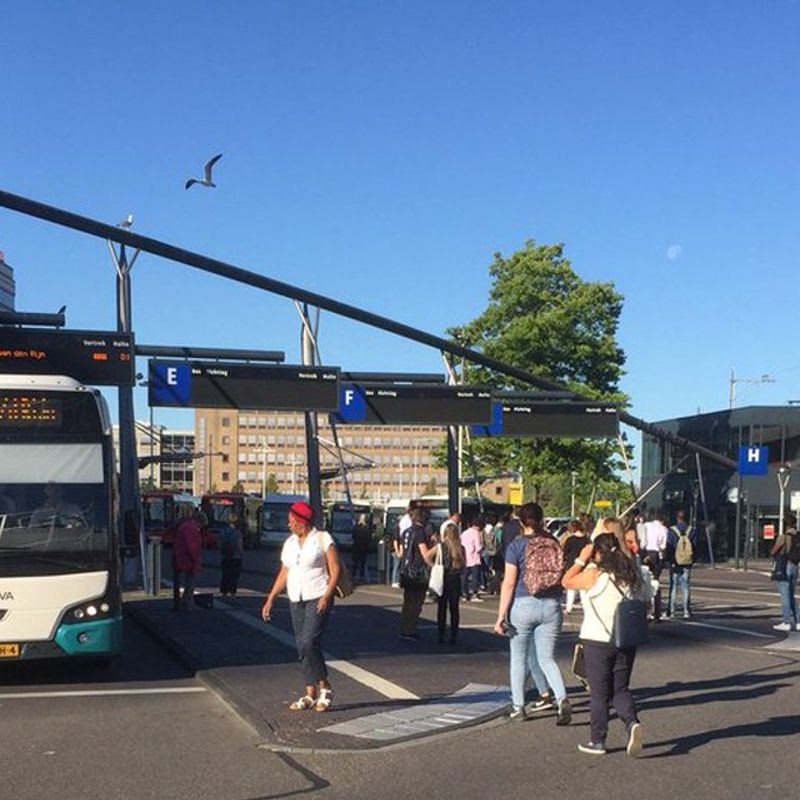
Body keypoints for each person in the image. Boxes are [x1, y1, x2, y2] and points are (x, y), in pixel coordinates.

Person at [562, 533, 654, 757]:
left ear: (598, 553)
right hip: (625, 638)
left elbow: (566, 581)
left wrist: (581, 559)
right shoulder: (633, 575)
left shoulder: (594, 574)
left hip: (597, 639)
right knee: (621, 688)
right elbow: (648, 602)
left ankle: (598, 740)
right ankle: (631, 722)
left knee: (599, 693)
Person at [494, 502, 572, 724]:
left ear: (521, 522)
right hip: (551, 605)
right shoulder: (553, 542)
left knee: (518, 659)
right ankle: (562, 697)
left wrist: (501, 616)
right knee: (547, 658)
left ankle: (519, 707)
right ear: (542, 519)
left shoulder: (516, 546)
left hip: (523, 604)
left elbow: (508, 583)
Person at [262, 501, 341, 712]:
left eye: (291, 522)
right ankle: (309, 692)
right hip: (296, 597)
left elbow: (335, 569)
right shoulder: (290, 543)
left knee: (309, 642)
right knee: (300, 646)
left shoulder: (322, 539)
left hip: (317, 596)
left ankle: (325, 686)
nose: (288, 525)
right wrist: (271, 598)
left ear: (302, 522)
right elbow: (284, 572)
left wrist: (327, 594)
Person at [424, 522, 465, 644]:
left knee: (442, 607)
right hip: (455, 579)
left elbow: (427, 556)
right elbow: (464, 565)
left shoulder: (440, 547)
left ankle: (441, 634)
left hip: (443, 577)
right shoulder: (460, 548)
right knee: (454, 609)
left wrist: (434, 566)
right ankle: (454, 635)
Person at [399, 506, 433, 640]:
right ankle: (411, 628)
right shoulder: (420, 533)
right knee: (417, 601)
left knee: (407, 601)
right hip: (417, 570)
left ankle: (404, 627)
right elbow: (425, 553)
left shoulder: (406, 531)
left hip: (405, 569)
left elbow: (402, 552)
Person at [666, 510, 697, 619]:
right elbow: (695, 546)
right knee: (686, 585)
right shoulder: (691, 530)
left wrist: (670, 560)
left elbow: (669, 546)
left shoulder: (672, 530)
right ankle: (686, 610)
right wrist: (693, 559)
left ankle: (671, 610)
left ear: (677, 518)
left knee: (673, 585)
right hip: (687, 561)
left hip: (675, 561)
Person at [770, 517, 800, 632]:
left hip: (784, 566)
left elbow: (774, 551)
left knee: (785, 595)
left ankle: (786, 622)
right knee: (792, 595)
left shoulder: (784, 536)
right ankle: (798, 622)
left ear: (785, 525)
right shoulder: (798, 536)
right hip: (795, 566)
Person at [173, 509, 204, 611]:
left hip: (183, 557)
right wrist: (196, 559)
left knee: (188, 582)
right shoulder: (191, 528)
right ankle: (188, 603)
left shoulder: (186, 526)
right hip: (188, 560)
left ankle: (186, 602)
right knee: (190, 583)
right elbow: (192, 546)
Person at [562, 519, 591, 614]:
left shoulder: (570, 540)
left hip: (571, 565)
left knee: (571, 589)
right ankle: (586, 607)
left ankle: (568, 608)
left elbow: (565, 552)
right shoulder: (587, 540)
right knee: (583, 589)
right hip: (584, 565)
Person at [219, 512, 244, 596]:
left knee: (225, 574)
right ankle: (232, 591)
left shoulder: (222, 532)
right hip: (235, 557)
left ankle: (224, 591)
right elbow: (239, 545)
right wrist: (242, 553)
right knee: (234, 575)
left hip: (225, 556)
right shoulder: (238, 533)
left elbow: (219, 544)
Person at [460, 516, 484, 602]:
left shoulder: (464, 532)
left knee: (464, 577)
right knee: (475, 577)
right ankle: (474, 593)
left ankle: (464, 593)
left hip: (464, 557)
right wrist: (482, 550)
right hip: (474, 558)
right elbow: (478, 547)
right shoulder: (476, 533)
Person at [351, 513, 371, 582]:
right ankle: (360, 577)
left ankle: (354, 576)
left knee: (356, 563)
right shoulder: (366, 528)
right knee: (362, 563)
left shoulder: (356, 527)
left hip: (357, 546)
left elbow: (353, 536)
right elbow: (368, 538)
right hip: (363, 547)